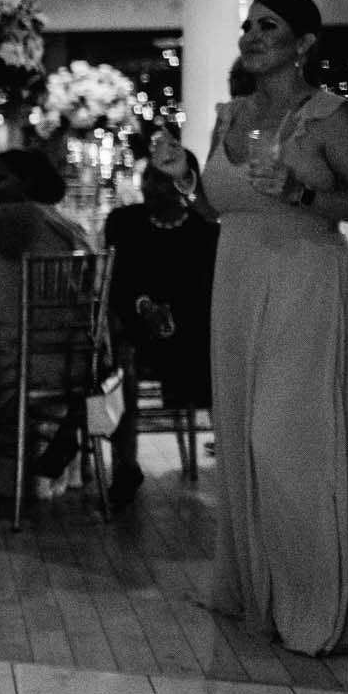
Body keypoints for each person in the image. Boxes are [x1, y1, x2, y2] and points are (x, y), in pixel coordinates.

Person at [205, 0, 348, 655]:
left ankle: (324, 601)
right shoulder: (228, 117)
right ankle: (258, 587)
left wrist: (300, 192)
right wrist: (184, 182)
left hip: (303, 282)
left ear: (305, 42)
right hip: (234, 280)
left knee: (285, 440)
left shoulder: (330, 116)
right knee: (238, 435)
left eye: (269, 26)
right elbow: (219, 208)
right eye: (249, 25)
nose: (252, 34)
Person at [0, 148, 94, 503]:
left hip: (11, 363)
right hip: (71, 365)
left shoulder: (2, 222)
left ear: (27, 182)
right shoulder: (68, 225)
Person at [100, 141, 219, 507]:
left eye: (163, 180)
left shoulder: (205, 229)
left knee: (221, 354)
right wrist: (146, 307)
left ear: (187, 184)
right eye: (149, 177)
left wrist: (171, 316)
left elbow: (205, 290)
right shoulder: (124, 222)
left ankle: (236, 459)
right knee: (119, 362)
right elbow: (117, 283)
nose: (152, 186)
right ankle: (126, 465)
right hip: (137, 326)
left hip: (193, 329)